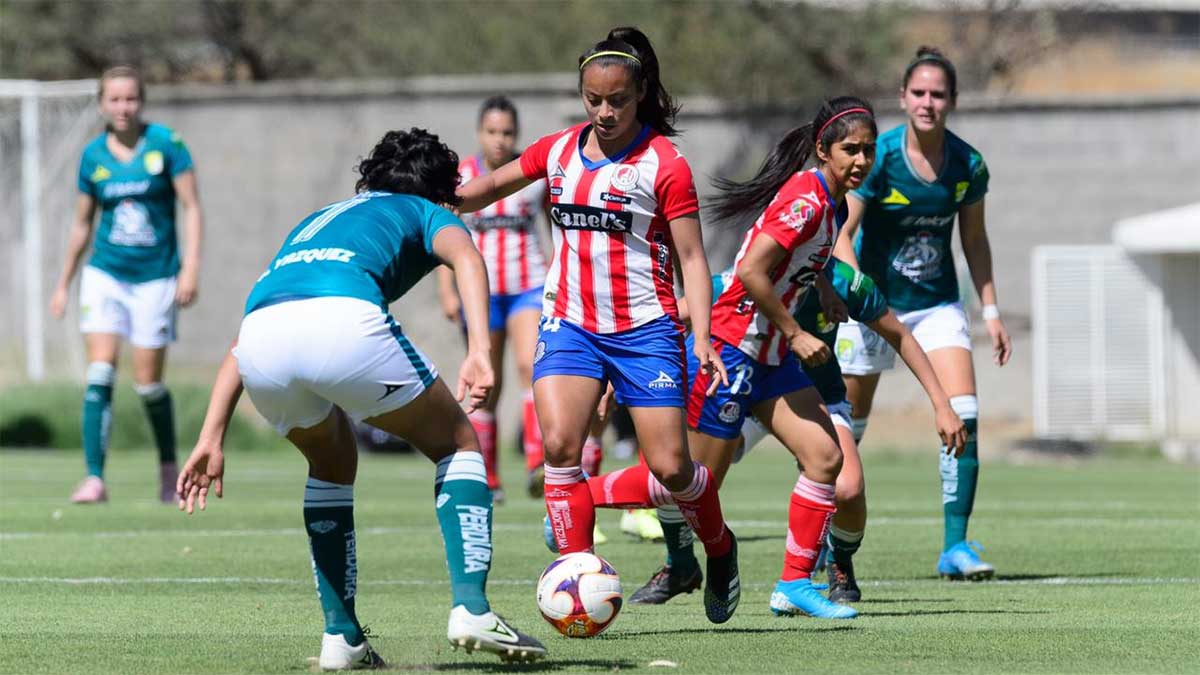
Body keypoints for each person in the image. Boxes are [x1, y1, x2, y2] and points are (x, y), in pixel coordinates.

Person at [175, 128, 546, 669]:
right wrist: (479, 351)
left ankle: (341, 639)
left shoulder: (322, 218)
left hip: (259, 340)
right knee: (460, 443)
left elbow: (250, 332)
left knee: (332, 461)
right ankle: (472, 608)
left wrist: (211, 435)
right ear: (440, 190)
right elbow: (468, 259)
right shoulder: (426, 209)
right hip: (343, 321)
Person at [456, 26, 741, 624]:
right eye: (594, 100)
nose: (605, 111)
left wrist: (704, 338)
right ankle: (580, 581)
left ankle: (720, 547)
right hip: (570, 325)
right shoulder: (557, 150)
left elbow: (692, 257)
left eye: (618, 100)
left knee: (670, 468)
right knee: (560, 447)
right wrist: (418, 195)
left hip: (646, 331)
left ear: (640, 95)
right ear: (582, 95)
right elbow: (480, 192)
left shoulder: (665, 164)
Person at [577, 97, 879, 620]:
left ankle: (793, 585)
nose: (861, 160)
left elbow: (803, 255)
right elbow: (751, 274)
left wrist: (825, 288)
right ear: (823, 151)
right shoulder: (807, 199)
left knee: (825, 459)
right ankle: (581, 495)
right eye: (851, 150)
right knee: (694, 485)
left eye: (869, 151)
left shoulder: (835, 203)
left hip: (771, 356)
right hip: (735, 347)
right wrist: (796, 332)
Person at [832, 46, 1012, 581]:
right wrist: (853, 289)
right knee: (846, 428)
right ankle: (823, 535)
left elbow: (975, 240)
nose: (927, 102)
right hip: (874, 308)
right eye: (919, 92)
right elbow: (842, 231)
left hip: (937, 305)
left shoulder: (968, 164)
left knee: (964, 413)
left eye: (938, 93)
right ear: (903, 98)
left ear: (951, 100)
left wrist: (992, 309)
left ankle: (955, 546)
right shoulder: (878, 156)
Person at [49, 66, 204, 504]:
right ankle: (94, 478)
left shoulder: (167, 146)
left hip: (156, 277)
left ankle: (168, 470)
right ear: (102, 104)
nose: (123, 107)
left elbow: (192, 208)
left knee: (148, 384)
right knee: (100, 371)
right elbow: (83, 223)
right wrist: (64, 282)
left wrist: (190, 267)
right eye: (114, 99)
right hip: (105, 274)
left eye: (131, 98)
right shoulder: (93, 156)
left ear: (142, 100)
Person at [436, 95, 549, 503]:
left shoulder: (532, 173)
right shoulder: (462, 175)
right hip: (480, 292)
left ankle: (539, 463)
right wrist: (448, 290)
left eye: (507, 132)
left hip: (529, 286)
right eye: (492, 132)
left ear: (515, 134)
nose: (500, 140)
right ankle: (489, 475)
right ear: (479, 132)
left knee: (529, 364)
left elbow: (554, 228)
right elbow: (443, 237)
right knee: (489, 380)